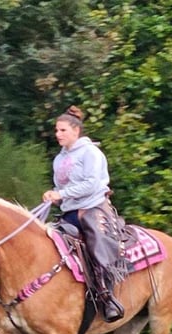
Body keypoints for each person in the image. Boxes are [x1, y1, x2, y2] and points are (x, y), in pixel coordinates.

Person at [42, 105, 125, 322]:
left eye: (62, 130)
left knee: (97, 244)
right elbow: (60, 186)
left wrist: (60, 194)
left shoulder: (91, 153)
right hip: (69, 212)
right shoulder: (58, 159)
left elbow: (91, 184)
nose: (57, 134)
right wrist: (54, 197)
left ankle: (108, 297)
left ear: (76, 131)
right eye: (56, 130)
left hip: (94, 208)